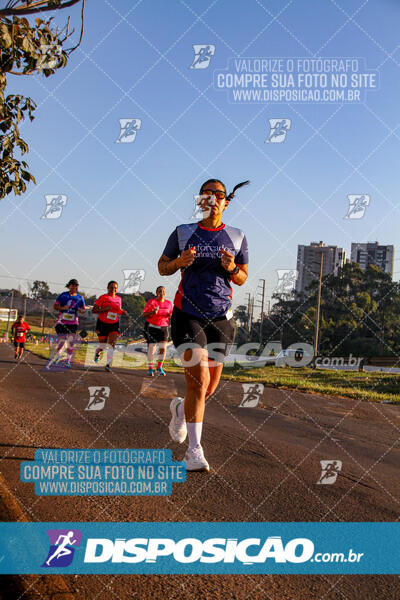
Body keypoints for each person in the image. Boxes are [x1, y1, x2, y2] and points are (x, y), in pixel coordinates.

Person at [158, 179, 249, 471]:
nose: (211, 200)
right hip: (188, 314)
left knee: (208, 389)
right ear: (200, 202)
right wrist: (179, 262)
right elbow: (162, 266)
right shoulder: (183, 233)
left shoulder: (236, 237)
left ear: (226, 202)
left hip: (221, 318)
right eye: (206, 195)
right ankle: (194, 452)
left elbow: (243, 276)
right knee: (198, 382)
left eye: (217, 196)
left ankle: (179, 410)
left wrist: (231, 268)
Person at [46, 279, 86, 369]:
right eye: (73, 285)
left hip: (73, 323)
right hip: (62, 322)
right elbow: (55, 306)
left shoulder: (80, 298)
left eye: (76, 286)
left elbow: (83, 309)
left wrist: (80, 310)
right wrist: (62, 307)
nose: (75, 287)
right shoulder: (63, 295)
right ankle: (58, 355)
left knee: (71, 342)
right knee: (62, 341)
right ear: (69, 286)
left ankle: (68, 361)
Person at [92, 281, 128, 372]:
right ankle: (97, 352)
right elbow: (94, 310)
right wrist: (104, 309)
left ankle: (108, 364)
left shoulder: (119, 299)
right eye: (111, 287)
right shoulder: (103, 297)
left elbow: (118, 310)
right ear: (108, 288)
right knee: (103, 346)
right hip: (102, 323)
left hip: (114, 324)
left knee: (112, 344)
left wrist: (123, 312)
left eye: (115, 287)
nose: (113, 289)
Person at [142, 286, 173, 376]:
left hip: (163, 328)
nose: (161, 293)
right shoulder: (152, 302)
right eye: (159, 291)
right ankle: (150, 368)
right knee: (152, 348)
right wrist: (152, 312)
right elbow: (144, 315)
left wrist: (170, 315)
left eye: (163, 291)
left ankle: (159, 367)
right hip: (151, 327)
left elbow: (170, 314)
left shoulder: (169, 304)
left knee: (163, 348)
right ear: (156, 293)